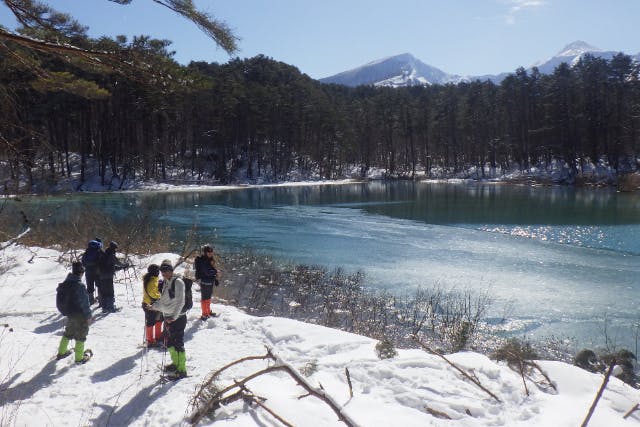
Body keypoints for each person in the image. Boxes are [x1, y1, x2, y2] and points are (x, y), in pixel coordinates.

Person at [150, 259, 188, 380]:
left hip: (178, 318)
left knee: (178, 343)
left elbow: (181, 302)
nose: (164, 273)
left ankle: (182, 370)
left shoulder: (178, 282)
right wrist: (153, 307)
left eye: (167, 270)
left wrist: (174, 317)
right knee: (170, 342)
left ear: (171, 270)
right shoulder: (167, 282)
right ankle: (175, 364)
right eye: (162, 271)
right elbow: (164, 301)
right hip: (168, 318)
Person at [56, 262, 93, 364]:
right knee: (81, 336)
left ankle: (61, 352)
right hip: (80, 314)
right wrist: (89, 316)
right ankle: (79, 358)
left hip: (69, 313)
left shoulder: (66, 283)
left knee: (68, 332)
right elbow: (85, 303)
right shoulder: (79, 286)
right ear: (81, 273)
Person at [98, 241, 129, 313]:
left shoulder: (104, 254)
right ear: (113, 248)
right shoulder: (111, 255)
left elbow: (109, 265)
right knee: (110, 291)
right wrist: (125, 265)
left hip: (101, 275)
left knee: (104, 291)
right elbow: (118, 263)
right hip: (108, 276)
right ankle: (110, 307)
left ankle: (104, 307)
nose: (116, 250)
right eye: (115, 248)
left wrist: (118, 268)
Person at [194, 244, 219, 320]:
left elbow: (211, 271)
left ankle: (208, 311)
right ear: (205, 252)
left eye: (211, 251)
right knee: (205, 298)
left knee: (208, 297)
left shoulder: (210, 259)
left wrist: (216, 279)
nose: (210, 253)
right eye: (208, 252)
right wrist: (216, 272)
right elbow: (207, 272)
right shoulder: (203, 260)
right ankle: (204, 314)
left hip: (210, 281)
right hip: (205, 281)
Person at [142, 264, 163, 347]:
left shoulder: (151, 279)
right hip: (149, 304)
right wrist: (161, 295)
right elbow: (152, 293)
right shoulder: (151, 281)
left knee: (159, 320)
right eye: (158, 271)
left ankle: (157, 337)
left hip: (151, 303)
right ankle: (150, 340)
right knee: (151, 322)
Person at [80, 238, 103, 305]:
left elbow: (83, 262)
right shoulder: (99, 251)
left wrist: (87, 267)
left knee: (90, 286)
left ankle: (91, 301)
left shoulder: (87, 252)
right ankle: (101, 302)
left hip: (88, 271)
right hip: (97, 271)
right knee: (99, 285)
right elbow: (102, 261)